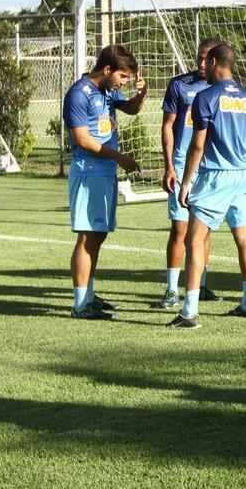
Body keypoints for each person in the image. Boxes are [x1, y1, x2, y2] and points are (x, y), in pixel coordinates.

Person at [169, 43, 246, 329]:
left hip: (215, 176)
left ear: (213, 62)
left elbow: (197, 146)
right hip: (243, 174)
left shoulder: (206, 97)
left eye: (204, 63)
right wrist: (244, 166)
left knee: (195, 241)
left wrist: (186, 183)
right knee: (244, 238)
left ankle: (189, 312)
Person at [63, 45, 147, 320]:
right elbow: (82, 140)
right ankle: (79, 304)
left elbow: (131, 109)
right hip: (88, 172)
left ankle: (89, 294)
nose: (124, 82)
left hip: (105, 171)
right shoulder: (79, 93)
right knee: (87, 236)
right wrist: (120, 157)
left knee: (98, 235)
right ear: (107, 70)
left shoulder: (108, 91)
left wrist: (141, 94)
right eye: (123, 76)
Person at [153, 38, 222, 310]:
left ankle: (201, 285)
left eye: (207, 59)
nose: (202, 64)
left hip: (209, 167)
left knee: (204, 230)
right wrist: (169, 165)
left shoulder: (223, 89)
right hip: (182, 165)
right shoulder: (179, 85)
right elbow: (168, 126)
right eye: (199, 58)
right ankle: (171, 290)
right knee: (180, 229)